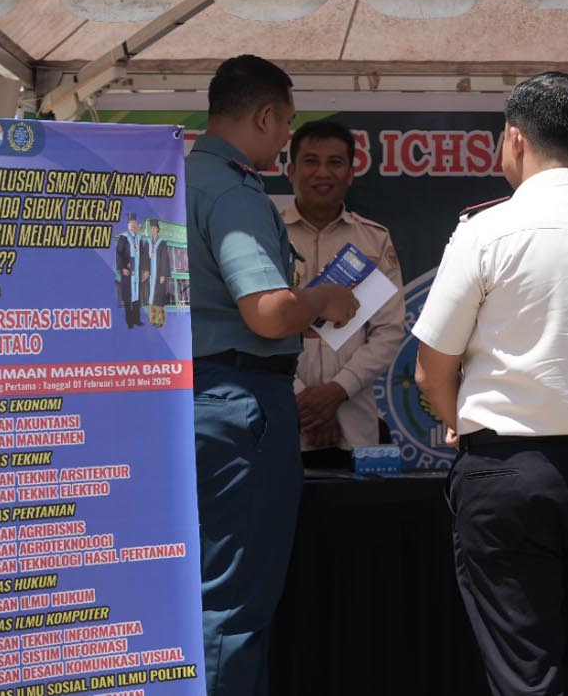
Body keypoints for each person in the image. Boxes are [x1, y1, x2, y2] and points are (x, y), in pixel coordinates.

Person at [412, 72, 568, 696]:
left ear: (514, 139)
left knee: (524, 669)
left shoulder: (485, 232)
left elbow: (429, 370)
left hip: (504, 467)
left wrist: (453, 420)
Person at [186, 54, 361, 696]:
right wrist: (318, 299)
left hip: (195, 395)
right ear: (265, 115)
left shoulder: (178, 176)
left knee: (204, 588)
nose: (288, 138)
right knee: (233, 603)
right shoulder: (232, 189)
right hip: (238, 405)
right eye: (287, 125)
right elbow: (265, 312)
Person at [282, 119, 406, 468]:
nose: (323, 172)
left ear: (350, 173)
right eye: (311, 161)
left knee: (357, 522)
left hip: (355, 426)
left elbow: (389, 331)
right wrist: (302, 400)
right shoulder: (268, 235)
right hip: (285, 425)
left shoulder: (373, 241)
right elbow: (256, 324)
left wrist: (335, 393)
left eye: (335, 162)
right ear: (291, 170)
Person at [115, 213, 143, 329]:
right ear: (128, 225)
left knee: (137, 296)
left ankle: (136, 319)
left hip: (137, 270)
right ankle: (129, 321)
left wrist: (144, 269)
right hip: (127, 271)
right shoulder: (124, 237)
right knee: (128, 296)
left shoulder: (139, 238)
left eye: (135, 224)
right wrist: (122, 268)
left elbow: (143, 254)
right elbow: (119, 253)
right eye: (131, 224)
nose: (133, 226)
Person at [143, 217, 173, 326]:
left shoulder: (162, 243)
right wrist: (146, 270)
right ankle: (152, 319)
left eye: (155, 228)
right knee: (151, 297)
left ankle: (160, 321)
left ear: (158, 229)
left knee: (159, 298)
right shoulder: (148, 243)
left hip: (159, 274)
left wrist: (163, 275)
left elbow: (165, 258)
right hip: (151, 275)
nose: (153, 229)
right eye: (152, 228)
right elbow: (145, 258)